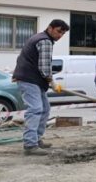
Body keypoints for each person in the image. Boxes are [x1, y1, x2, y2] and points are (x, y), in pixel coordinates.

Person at [13, 19, 69, 156]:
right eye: (58, 31)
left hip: (33, 80)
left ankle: (36, 139)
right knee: (36, 109)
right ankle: (30, 144)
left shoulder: (38, 37)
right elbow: (45, 67)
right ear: (50, 28)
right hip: (30, 79)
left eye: (63, 33)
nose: (60, 35)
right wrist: (52, 83)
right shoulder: (45, 41)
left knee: (45, 109)